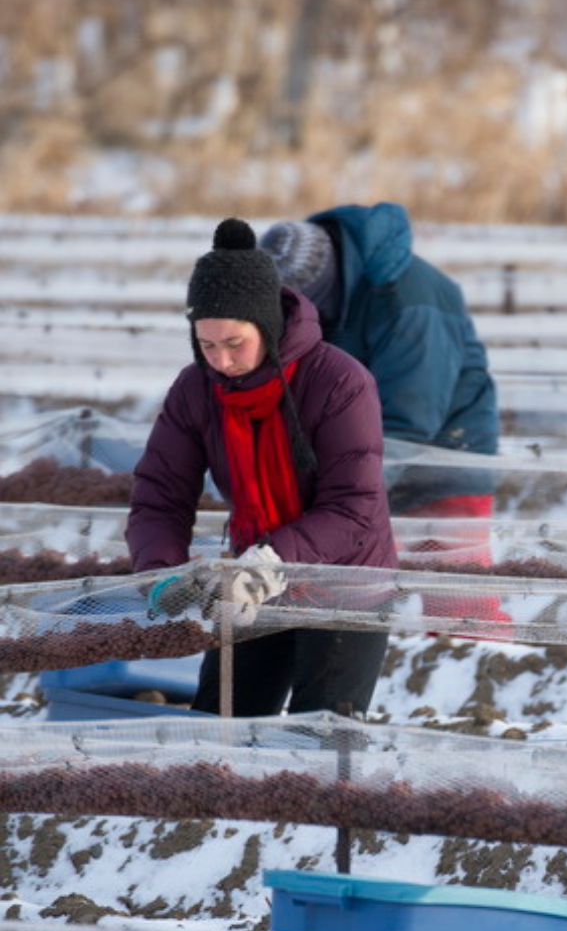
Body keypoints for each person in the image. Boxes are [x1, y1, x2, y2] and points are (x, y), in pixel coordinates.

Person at [126, 217, 397, 718]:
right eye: (206, 345)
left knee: (322, 737)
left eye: (234, 344)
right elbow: (160, 494)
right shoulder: (196, 390)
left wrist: (269, 563)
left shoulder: (338, 382)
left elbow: (353, 507)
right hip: (250, 577)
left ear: (267, 326)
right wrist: (160, 573)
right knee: (221, 722)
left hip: (345, 584)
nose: (221, 361)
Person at [258, 202, 506, 628]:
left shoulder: (409, 301)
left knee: (457, 598)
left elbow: (411, 417)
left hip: (442, 457)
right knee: (345, 593)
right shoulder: (325, 309)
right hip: (360, 459)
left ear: (322, 288)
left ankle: (479, 677)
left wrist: (338, 494)